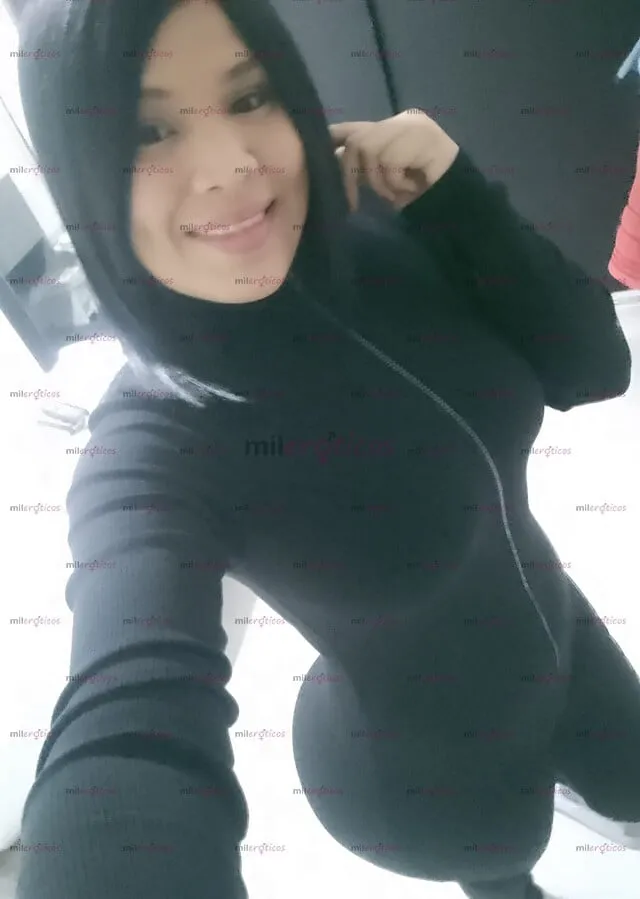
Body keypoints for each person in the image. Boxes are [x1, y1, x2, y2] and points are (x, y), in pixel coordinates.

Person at [14, 1, 640, 898]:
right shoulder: (153, 448)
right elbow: (124, 723)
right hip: (426, 779)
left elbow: (596, 368)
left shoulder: (387, 239)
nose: (232, 165)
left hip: (566, 635)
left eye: (250, 96)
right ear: (77, 168)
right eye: (149, 129)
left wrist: (459, 196)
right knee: (509, 870)